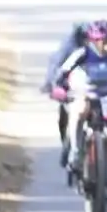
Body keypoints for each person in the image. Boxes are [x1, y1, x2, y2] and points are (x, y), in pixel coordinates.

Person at [49, 20, 107, 212]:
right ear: (93, 41)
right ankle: (75, 152)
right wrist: (58, 88)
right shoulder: (82, 54)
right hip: (86, 94)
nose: (106, 45)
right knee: (79, 109)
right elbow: (63, 72)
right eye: (102, 41)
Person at [41, 21, 91, 160]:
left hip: (89, 82)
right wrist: (51, 85)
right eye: (84, 37)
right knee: (65, 110)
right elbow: (55, 65)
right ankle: (66, 143)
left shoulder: (96, 47)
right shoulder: (68, 46)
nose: (87, 40)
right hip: (69, 81)